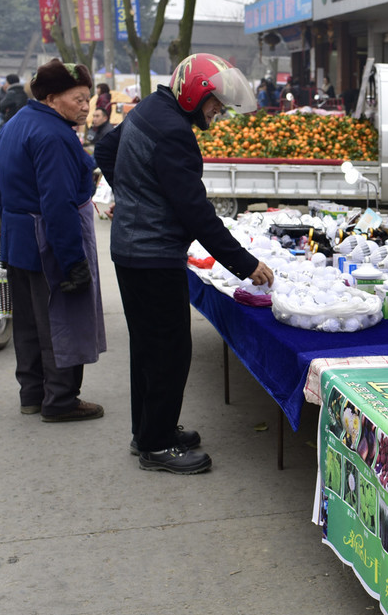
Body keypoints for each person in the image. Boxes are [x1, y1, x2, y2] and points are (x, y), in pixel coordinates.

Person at [94, 53, 275, 475]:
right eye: (215, 104)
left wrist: (134, 195)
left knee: (148, 345)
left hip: (133, 250)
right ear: (193, 95)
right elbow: (196, 212)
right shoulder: (174, 132)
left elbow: (106, 148)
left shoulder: (152, 109)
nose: (219, 112)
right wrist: (245, 265)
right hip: (152, 256)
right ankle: (157, 446)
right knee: (170, 349)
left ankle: (149, 430)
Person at [0, 59, 106, 423]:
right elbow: (56, 203)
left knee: (28, 322)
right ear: (52, 97)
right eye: (78, 98)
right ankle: (60, 400)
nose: (85, 106)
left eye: (88, 99)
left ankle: (32, 394)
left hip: (18, 240)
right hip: (48, 242)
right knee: (61, 320)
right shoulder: (53, 135)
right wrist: (72, 260)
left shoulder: (16, 124)